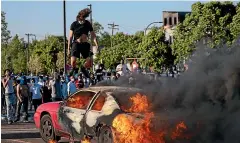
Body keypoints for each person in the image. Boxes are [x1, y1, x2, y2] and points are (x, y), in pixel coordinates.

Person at [67, 8, 98, 77]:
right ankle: (74, 69)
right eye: (81, 20)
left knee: (89, 62)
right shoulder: (74, 24)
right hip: (76, 44)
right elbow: (70, 37)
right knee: (73, 61)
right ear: (78, 18)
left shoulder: (87, 23)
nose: (83, 21)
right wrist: (68, 48)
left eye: (84, 19)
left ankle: (83, 68)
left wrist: (96, 45)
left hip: (85, 44)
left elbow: (93, 35)